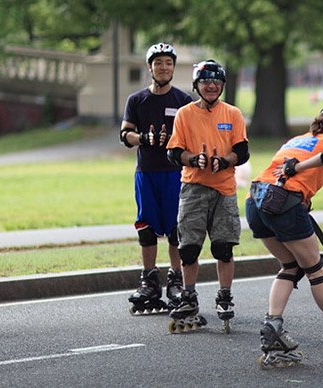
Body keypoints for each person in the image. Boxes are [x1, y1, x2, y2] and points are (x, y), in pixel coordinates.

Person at [247, 98, 323, 368]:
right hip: (283, 201)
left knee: (291, 266)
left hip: (255, 201)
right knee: (316, 268)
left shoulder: (297, 139)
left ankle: (273, 328)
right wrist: (299, 169)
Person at [164, 59, 250, 334]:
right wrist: (195, 159)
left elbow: (242, 151)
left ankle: (224, 295)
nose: (211, 86)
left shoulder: (232, 114)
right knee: (188, 247)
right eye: (205, 81)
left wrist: (225, 161)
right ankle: (189, 295)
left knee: (223, 247)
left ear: (222, 85)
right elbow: (174, 152)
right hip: (194, 187)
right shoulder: (185, 114)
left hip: (224, 189)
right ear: (196, 85)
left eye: (216, 82)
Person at [120, 43, 193, 315]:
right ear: (150, 67)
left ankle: (176, 280)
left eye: (168, 63)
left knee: (175, 228)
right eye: (158, 62)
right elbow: (125, 134)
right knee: (146, 227)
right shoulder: (136, 100)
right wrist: (144, 138)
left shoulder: (183, 101)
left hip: (174, 173)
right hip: (146, 173)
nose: (164, 67)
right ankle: (149, 281)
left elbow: (191, 138)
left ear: (173, 67)